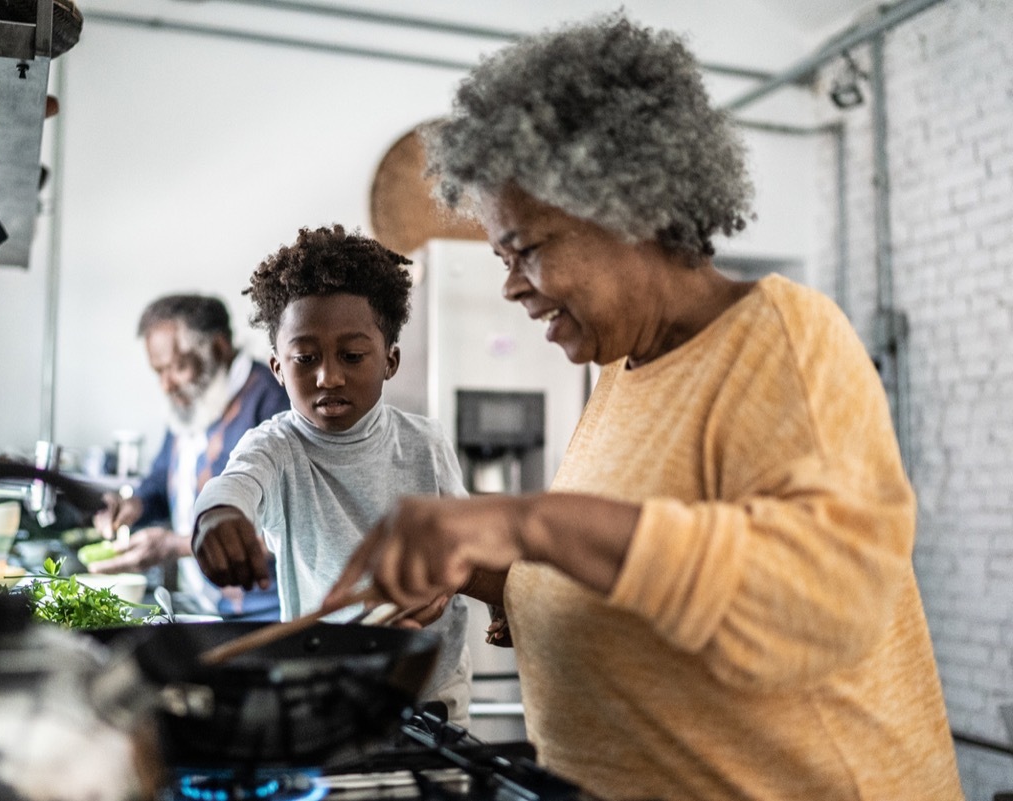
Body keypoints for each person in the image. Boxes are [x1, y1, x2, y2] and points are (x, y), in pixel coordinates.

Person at [325, 12, 963, 801]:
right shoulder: (625, 373)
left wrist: (519, 521)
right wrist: (479, 571)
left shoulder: (782, 338)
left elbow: (824, 597)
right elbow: (632, 573)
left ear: (629, 204)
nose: (511, 285)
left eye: (525, 248)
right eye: (500, 257)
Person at [191, 224, 472, 723]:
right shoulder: (275, 447)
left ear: (390, 361)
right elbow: (232, 487)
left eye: (352, 356)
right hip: (328, 696)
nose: (328, 377)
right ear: (278, 368)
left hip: (433, 694)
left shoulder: (425, 443)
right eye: (305, 358)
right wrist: (216, 517)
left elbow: (470, 545)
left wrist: (478, 594)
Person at [91, 294, 288, 619]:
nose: (166, 385)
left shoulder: (271, 403)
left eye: (178, 367)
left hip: (266, 615)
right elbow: (160, 477)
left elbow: (288, 527)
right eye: (159, 372)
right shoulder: (192, 402)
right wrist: (132, 505)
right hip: (207, 607)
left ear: (219, 347)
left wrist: (176, 546)